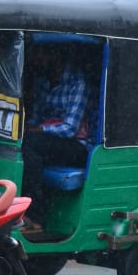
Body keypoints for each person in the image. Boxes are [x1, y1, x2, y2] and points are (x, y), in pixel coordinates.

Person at [20, 49, 93, 230]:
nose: (37, 59)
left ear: (55, 55)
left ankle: (35, 216)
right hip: (50, 141)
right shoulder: (42, 80)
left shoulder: (78, 82)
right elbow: (37, 117)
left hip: (77, 145)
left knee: (31, 144)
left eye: (41, 55)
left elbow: (70, 128)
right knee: (22, 142)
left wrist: (39, 129)